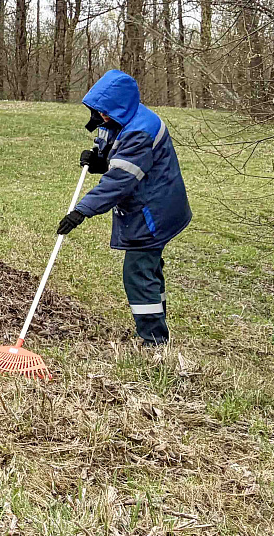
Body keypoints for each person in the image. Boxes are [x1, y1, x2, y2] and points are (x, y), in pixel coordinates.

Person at [57, 69, 191, 345]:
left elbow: (121, 180)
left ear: (120, 106)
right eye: (99, 111)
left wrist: (82, 210)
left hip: (155, 211)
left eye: (105, 112)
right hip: (150, 204)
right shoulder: (119, 116)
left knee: (138, 272)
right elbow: (113, 151)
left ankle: (154, 341)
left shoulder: (141, 130)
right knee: (148, 270)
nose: (102, 117)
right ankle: (157, 325)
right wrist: (99, 160)